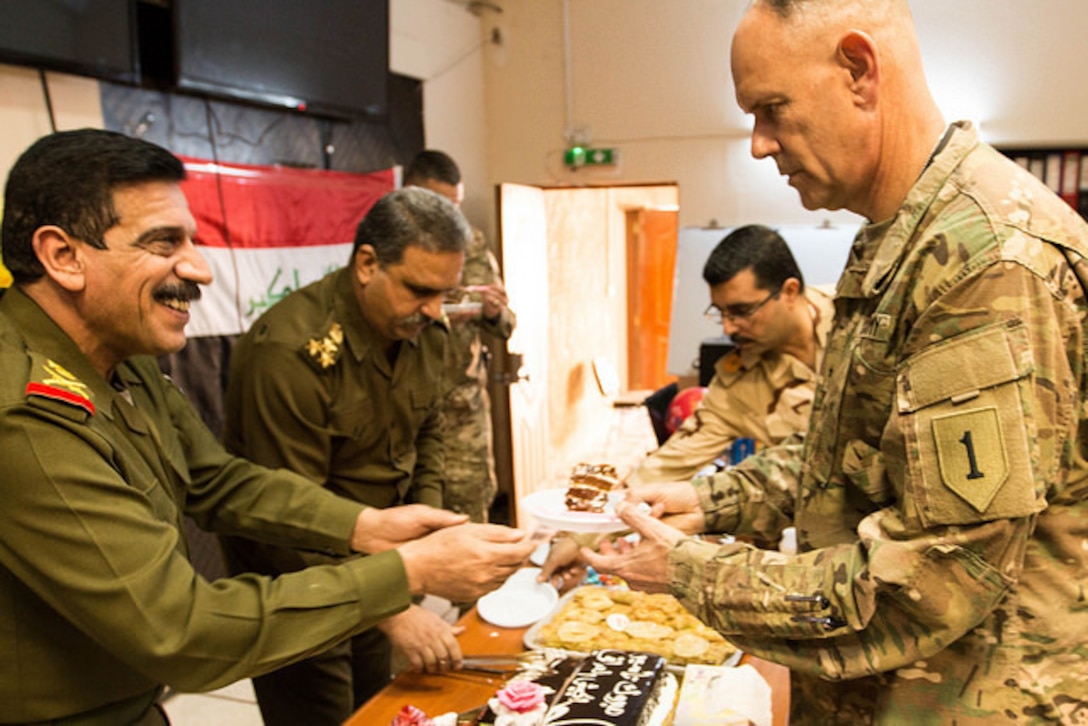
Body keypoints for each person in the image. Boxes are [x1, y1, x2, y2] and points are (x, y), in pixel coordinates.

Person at [584, 0, 1088, 721]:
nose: (759, 143)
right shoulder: (894, 237)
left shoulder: (989, 260)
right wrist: (710, 501)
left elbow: (933, 577)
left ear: (858, 71)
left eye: (771, 109)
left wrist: (692, 573)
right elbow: (850, 456)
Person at [0, 128, 536, 725]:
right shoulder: (26, 414)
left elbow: (217, 481)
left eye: (194, 241)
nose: (199, 269)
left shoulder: (118, 362)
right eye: (163, 243)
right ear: (63, 256)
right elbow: (180, 631)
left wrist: (367, 526)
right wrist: (406, 572)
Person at [218, 185, 482, 723]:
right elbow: (282, 519)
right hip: (297, 581)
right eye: (419, 289)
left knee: (374, 708)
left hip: (380, 565)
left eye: (445, 293)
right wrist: (388, 604)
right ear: (367, 264)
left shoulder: (422, 327)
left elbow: (428, 428)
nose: (434, 310)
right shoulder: (290, 353)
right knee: (319, 712)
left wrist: (426, 532)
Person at [541, 224, 833, 586]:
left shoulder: (859, 317)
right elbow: (668, 463)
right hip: (828, 556)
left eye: (742, 311)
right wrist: (580, 535)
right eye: (721, 312)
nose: (729, 327)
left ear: (789, 292)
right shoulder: (737, 382)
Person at [404, 150, 516, 523]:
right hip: (405, 410)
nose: (450, 216)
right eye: (440, 204)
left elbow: (505, 322)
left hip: (462, 412)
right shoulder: (390, 245)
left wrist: (492, 310)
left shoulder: (472, 244)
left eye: (455, 205)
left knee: (470, 517)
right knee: (410, 519)